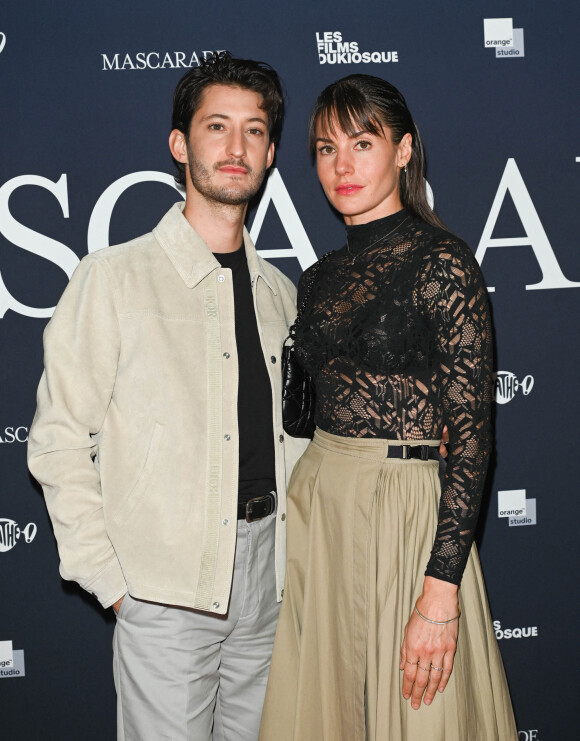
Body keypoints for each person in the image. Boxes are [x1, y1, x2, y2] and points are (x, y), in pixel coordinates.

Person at [28, 52, 307, 741]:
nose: (235, 147)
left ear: (271, 152)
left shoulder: (281, 294)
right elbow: (58, 439)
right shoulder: (114, 279)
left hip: (270, 582)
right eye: (217, 127)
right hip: (163, 592)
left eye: (253, 130)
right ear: (181, 144)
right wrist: (115, 583)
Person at [259, 74, 517, 741]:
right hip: (324, 510)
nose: (340, 165)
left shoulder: (445, 264)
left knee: (418, 710)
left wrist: (440, 589)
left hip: (406, 517)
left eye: (362, 142)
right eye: (323, 148)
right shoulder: (317, 280)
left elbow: (471, 439)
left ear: (403, 150)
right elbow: (302, 414)